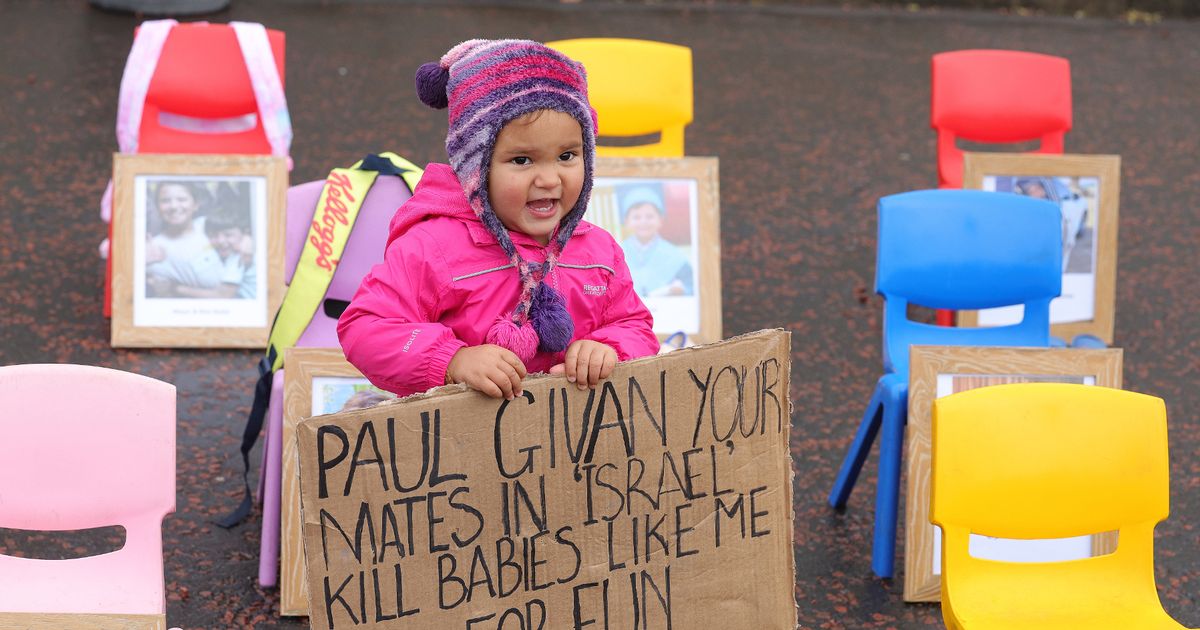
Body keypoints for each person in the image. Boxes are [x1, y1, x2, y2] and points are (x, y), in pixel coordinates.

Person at [338, 39, 660, 400]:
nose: (550, 179)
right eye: (522, 160)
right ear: (476, 167)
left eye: (567, 155)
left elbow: (633, 325)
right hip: (462, 449)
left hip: (568, 449)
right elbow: (366, 328)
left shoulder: (599, 251)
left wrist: (610, 348)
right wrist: (452, 360)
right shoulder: (434, 247)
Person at [147, 203, 256, 299]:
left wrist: (175, 288)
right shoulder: (203, 224)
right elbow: (197, 224)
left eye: (228, 235)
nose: (221, 241)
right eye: (213, 235)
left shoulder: (238, 256)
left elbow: (222, 295)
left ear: (244, 232)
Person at [617, 184, 694, 297]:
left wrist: (681, 290)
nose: (643, 222)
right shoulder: (617, 252)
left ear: (660, 220)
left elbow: (691, 285)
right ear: (627, 221)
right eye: (636, 217)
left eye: (650, 216)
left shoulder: (674, 254)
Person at [144, 181, 211, 295]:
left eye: (182, 199)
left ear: (196, 204)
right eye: (165, 201)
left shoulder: (211, 227)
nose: (174, 206)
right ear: (157, 207)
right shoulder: (153, 246)